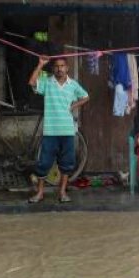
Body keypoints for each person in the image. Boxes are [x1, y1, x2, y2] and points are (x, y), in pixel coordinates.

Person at [28, 56, 89, 203]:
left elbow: (86, 96)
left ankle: (62, 193)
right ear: (53, 69)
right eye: (56, 66)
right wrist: (40, 65)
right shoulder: (48, 83)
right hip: (50, 131)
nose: (59, 68)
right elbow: (32, 82)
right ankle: (40, 193)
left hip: (68, 131)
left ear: (67, 68)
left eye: (62, 66)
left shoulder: (73, 85)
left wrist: (74, 106)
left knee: (67, 163)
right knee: (44, 163)